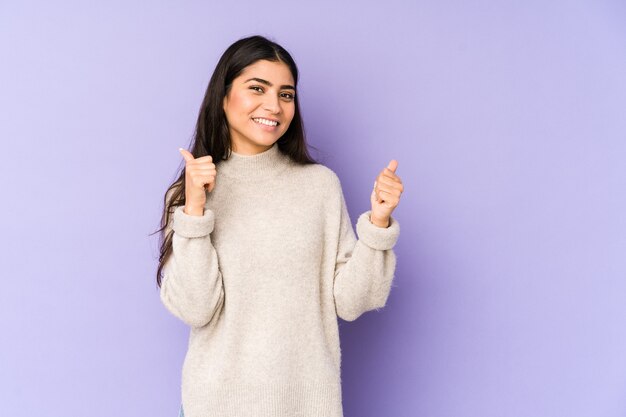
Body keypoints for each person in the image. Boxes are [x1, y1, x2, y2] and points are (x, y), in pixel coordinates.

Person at [155, 34, 404, 417]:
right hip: (216, 405)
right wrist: (195, 212)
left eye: (286, 94)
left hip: (308, 406)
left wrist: (378, 224)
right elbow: (196, 308)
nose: (274, 105)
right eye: (257, 88)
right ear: (223, 96)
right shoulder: (191, 194)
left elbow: (354, 302)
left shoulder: (319, 185)